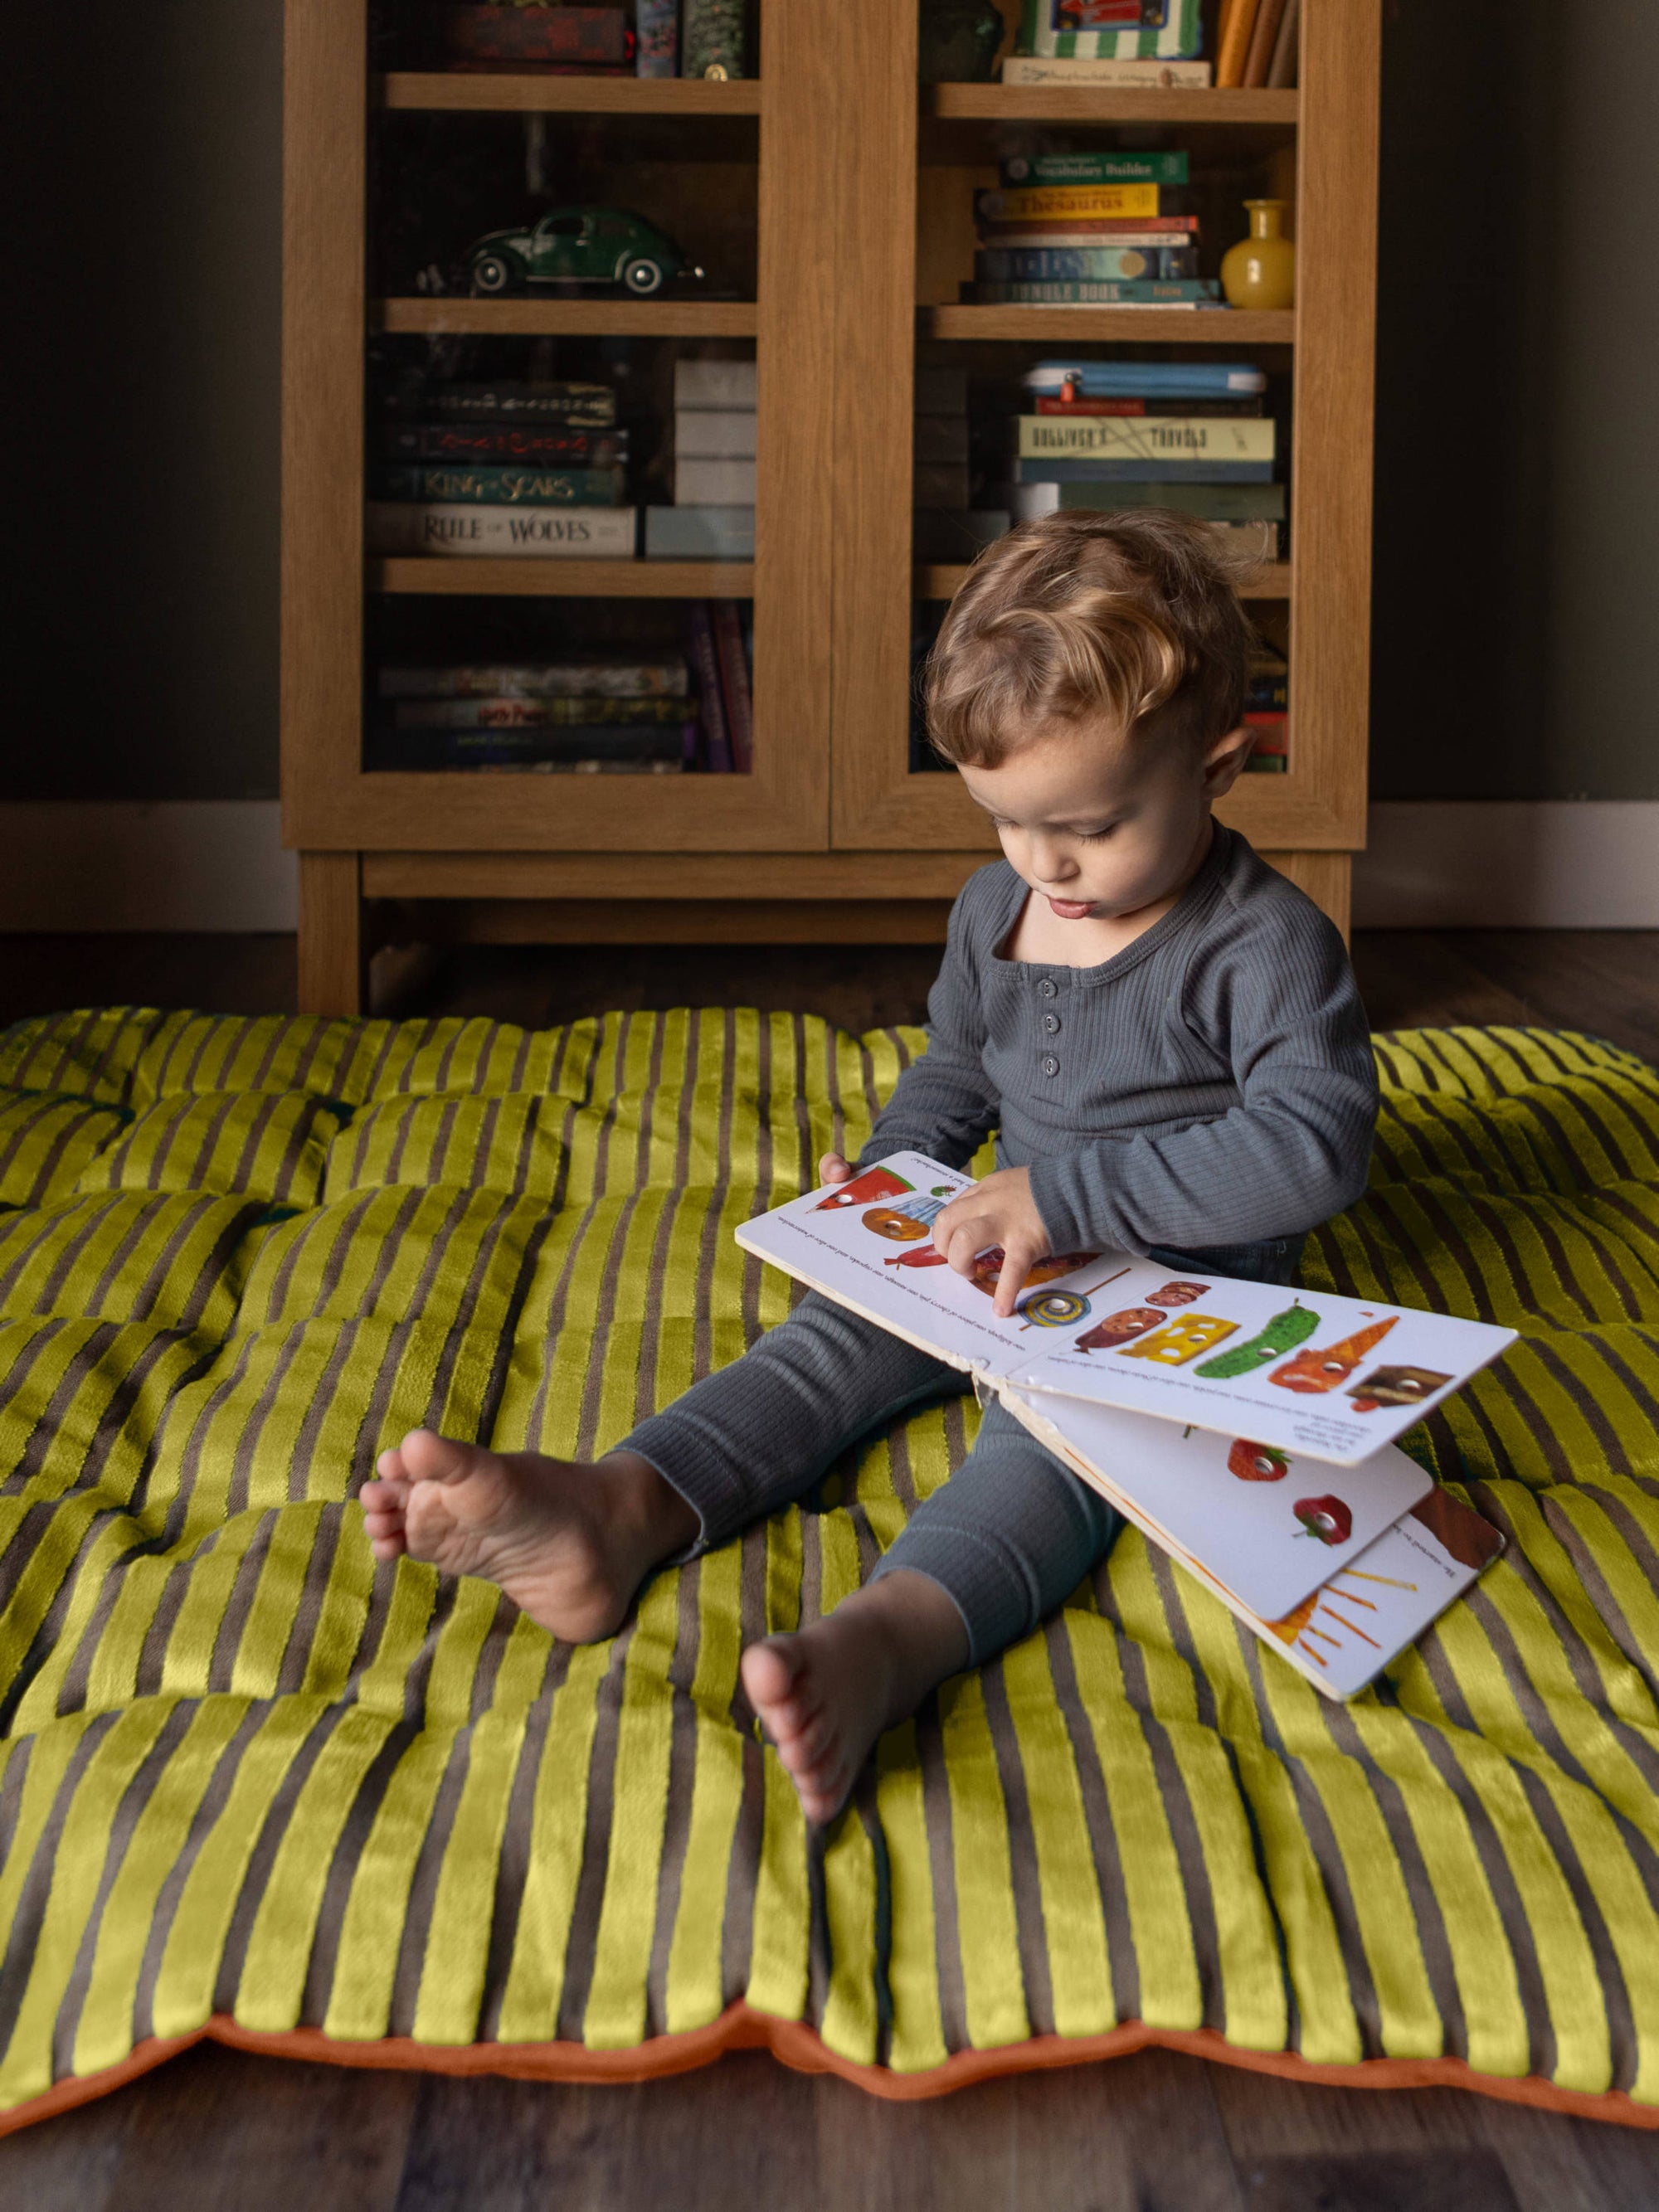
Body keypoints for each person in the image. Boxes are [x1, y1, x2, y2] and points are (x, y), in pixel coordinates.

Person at [358, 510, 1378, 1824]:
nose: (1047, 865)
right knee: (825, 1345)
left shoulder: (1267, 943)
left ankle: (883, 1642)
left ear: (1221, 766)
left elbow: (1316, 1145)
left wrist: (1067, 1195)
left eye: (1093, 826)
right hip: (1007, 1245)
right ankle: (617, 1510)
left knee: (1053, 1456)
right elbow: (959, 1069)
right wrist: (895, 1182)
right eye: (1009, 822)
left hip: (1176, 1297)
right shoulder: (995, 907)